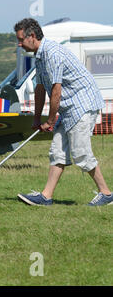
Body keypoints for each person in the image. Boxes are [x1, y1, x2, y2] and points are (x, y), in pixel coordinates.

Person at [14, 18, 112, 206]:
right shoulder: (40, 56)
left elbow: (56, 91)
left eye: (21, 39)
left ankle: (106, 193)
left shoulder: (52, 54)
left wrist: (50, 121)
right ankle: (46, 196)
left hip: (82, 104)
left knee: (80, 152)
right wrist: (36, 119)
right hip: (69, 107)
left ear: (32, 36)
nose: (19, 44)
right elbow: (41, 88)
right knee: (58, 151)